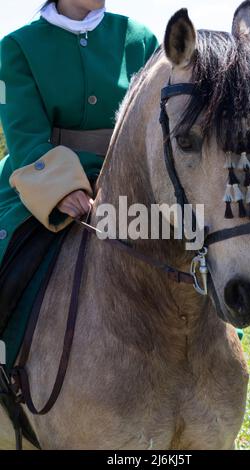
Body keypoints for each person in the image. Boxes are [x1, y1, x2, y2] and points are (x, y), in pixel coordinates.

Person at [0, 0, 159, 334]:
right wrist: (61, 188)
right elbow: (24, 133)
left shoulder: (142, 39)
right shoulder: (15, 48)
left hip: (135, 183)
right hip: (40, 180)